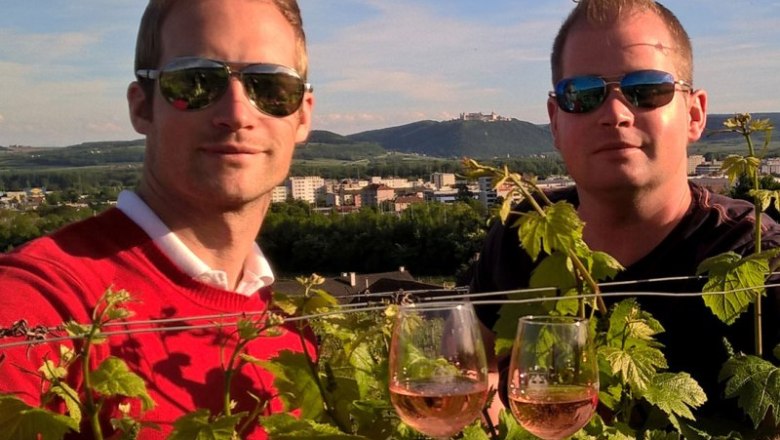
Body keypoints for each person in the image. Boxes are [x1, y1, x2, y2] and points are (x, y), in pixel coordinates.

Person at [0, 0, 315, 438]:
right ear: (141, 107)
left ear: (302, 115)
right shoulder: (43, 302)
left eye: (272, 87)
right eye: (196, 82)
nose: (238, 115)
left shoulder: (293, 335)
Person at [470, 0, 780, 431]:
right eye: (582, 94)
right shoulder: (523, 231)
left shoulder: (760, 259)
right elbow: (480, 370)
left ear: (695, 114)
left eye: (647, 89)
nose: (615, 114)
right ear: (555, 121)